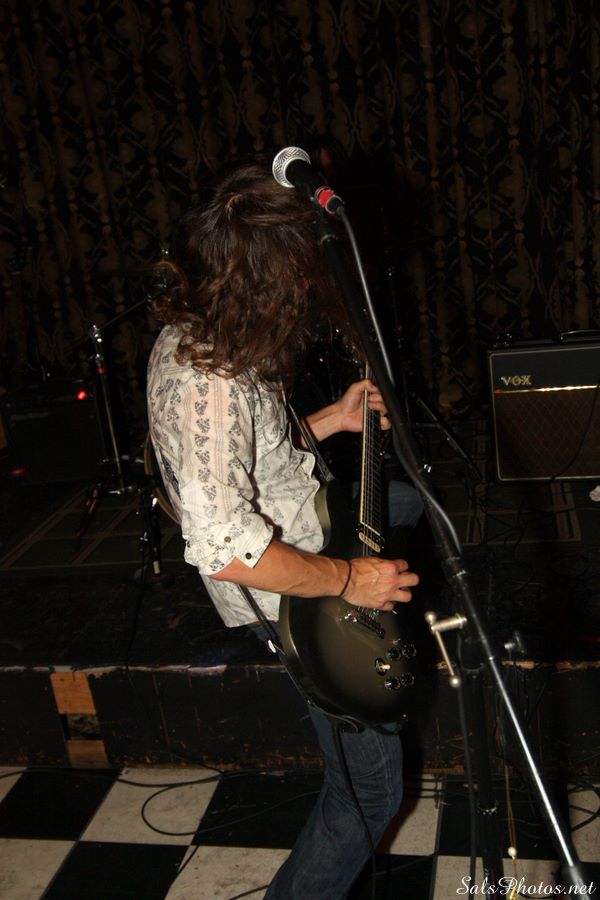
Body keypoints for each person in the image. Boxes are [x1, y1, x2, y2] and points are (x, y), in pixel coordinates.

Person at [146, 163, 419, 899]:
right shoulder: (207, 381)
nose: (308, 290)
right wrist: (350, 579)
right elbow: (226, 548)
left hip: (310, 533)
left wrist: (332, 418)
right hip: (290, 595)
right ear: (267, 283)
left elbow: (248, 451)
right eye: (299, 276)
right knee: (368, 795)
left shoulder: (213, 328)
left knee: (407, 506)